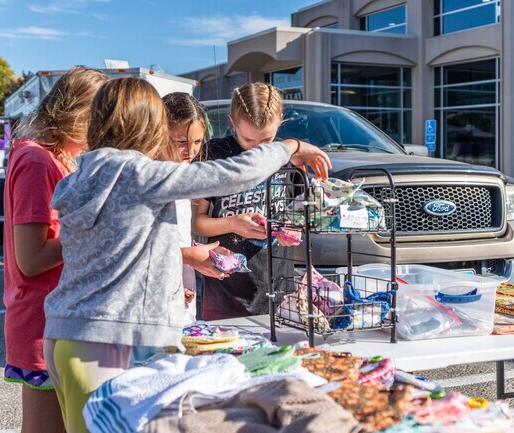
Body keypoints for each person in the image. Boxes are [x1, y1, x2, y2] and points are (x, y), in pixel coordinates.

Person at [42, 77, 330, 433]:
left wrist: (175, 275)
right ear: (148, 125)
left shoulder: (81, 177)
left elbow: (118, 250)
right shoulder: (137, 174)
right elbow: (236, 172)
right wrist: (290, 145)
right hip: (104, 343)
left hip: (66, 336)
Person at [3, 66, 108, 433]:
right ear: (80, 114)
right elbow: (30, 260)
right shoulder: (36, 160)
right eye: (101, 121)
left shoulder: (55, 156)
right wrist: (95, 228)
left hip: (60, 319)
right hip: (42, 323)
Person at [193, 82, 302, 321]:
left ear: (280, 120)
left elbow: (294, 214)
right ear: (232, 122)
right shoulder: (215, 154)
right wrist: (232, 224)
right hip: (226, 291)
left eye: (266, 140)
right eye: (248, 140)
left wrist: (290, 230)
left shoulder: (285, 158)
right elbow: (197, 222)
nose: (258, 151)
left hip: (279, 287)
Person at [162, 92, 229, 317]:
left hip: (181, 288)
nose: (190, 151)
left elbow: (173, 233)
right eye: (181, 142)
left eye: (198, 142)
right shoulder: (151, 180)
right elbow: (139, 247)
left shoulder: (183, 172)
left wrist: (197, 252)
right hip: (156, 294)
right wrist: (190, 256)